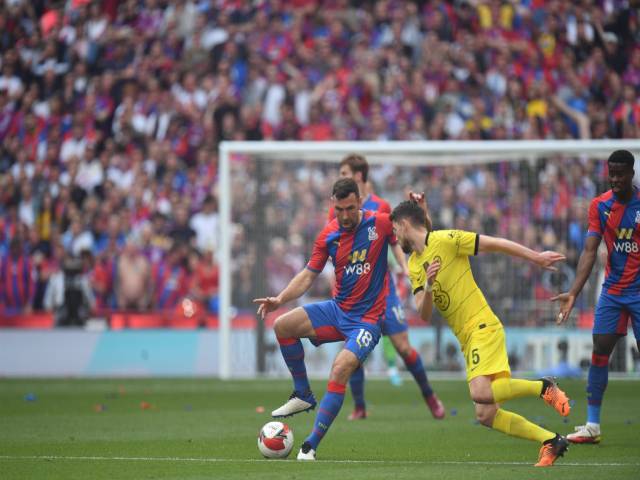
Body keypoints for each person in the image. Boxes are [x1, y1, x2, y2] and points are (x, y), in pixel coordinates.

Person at [390, 196, 571, 467]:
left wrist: (535, 257)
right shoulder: (415, 265)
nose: (394, 236)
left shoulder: (447, 239)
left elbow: (494, 243)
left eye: (394, 230)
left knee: (480, 393)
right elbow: (424, 313)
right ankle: (551, 440)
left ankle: (544, 387)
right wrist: (428, 285)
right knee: (486, 414)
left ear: (404, 225)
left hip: (482, 326)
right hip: (467, 338)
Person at [254, 178, 398, 461]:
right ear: (333, 204)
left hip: (367, 320)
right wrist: (280, 299)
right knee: (282, 325)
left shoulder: (380, 224)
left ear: (359, 202)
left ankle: (310, 445)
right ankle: (303, 394)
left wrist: (422, 214)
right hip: (338, 310)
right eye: (339, 209)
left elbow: (413, 231)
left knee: (340, 366)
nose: (344, 215)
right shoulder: (328, 235)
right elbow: (308, 274)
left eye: (350, 208)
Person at [332, 154, 444, 420]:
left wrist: (405, 269)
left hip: (383, 289)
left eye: (345, 173)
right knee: (353, 348)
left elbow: (395, 239)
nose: (341, 177)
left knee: (404, 348)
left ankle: (430, 396)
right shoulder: (336, 208)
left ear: (359, 176)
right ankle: (359, 407)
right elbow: (333, 244)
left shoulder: (380, 205)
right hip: (354, 294)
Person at [553, 149, 640, 444]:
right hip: (614, 291)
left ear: (631, 173)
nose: (614, 179)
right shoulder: (600, 206)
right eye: (610, 173)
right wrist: (574, 292)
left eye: (619, 173)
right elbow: (590, 251)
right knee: (600, 349)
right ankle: (592, 425)